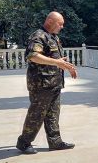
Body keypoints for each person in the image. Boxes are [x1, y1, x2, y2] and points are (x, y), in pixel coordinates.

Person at [16, 12, 77, 155]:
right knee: (36, 114)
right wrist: (57, 62)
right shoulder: (38, 36)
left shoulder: (54, 37)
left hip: (54, 83)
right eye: (59, 23)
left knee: (53, 114)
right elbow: (33, 56)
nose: (62, 26)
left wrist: (64, 65)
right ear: (49, 21)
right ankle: (24, 142)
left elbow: (54, 59)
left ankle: (55, 142)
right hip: (41, 84)